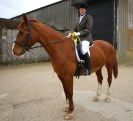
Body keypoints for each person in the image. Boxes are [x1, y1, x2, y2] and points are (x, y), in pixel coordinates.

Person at [71, 2, 93, 75]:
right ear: (79, 10)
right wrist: (71, 34)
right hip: (78, 38)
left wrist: (79, 33)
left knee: (83, 50)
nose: (82, 10)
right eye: (81, 9)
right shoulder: (77, 19)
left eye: (83, 9)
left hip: (86, 38)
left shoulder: (89, 17)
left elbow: (88, 29)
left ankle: (88, 69)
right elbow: (75, 29)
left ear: (85, 10)